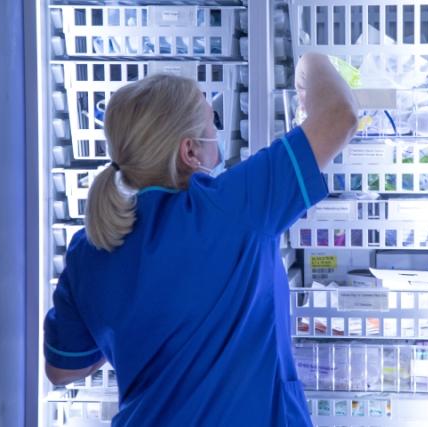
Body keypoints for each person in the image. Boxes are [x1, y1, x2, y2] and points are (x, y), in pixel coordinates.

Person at [43, 53, 357, 426]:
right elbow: (340, 115)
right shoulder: (233, 208)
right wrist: (309, 60)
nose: (219, 136)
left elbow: (62, 369)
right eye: (214, 120)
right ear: (190, 150)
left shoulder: (90, 248)